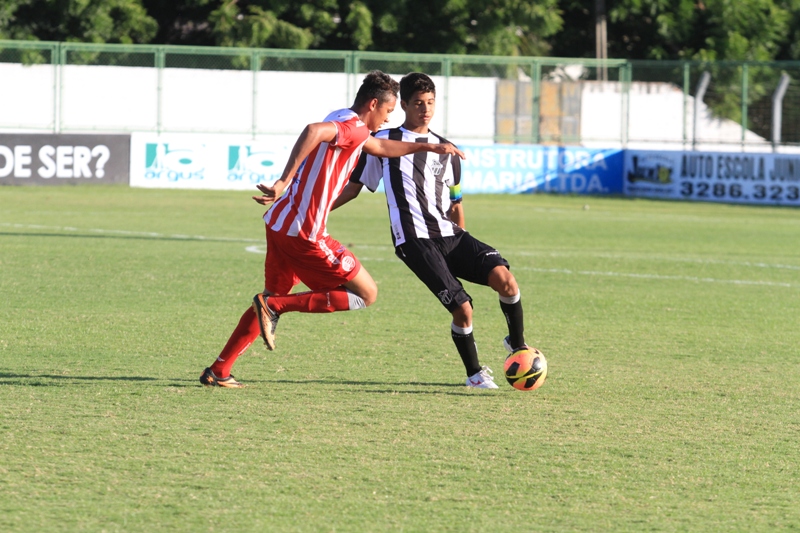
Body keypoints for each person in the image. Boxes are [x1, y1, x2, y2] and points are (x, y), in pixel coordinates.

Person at [200, 70, 465, 388]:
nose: (387, 119)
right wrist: (284, 180)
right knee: (366, 293)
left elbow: (379, 148)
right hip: (305, 234)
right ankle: (273, 307)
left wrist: (427, 148)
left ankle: (219, 370)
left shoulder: (345, 118)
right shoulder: (352, 127)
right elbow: (314, 130)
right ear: (372, 104)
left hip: (279, 223)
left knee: (274, 295)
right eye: (387, 111)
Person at [333, 72, 529, 389]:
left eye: (431, 103)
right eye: (419, 104)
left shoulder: (446, 149)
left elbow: (456, 201)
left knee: (505, 279)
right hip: (413, 240)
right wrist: (314, 208)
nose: (426, 110)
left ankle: (517, 344)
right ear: (405, 106)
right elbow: (353, 189)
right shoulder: (382, 144)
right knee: (463, 309)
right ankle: (475, 374)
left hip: (450, 236)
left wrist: (460, 243)